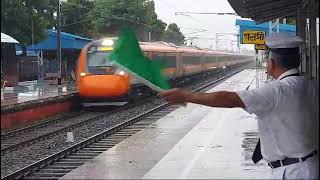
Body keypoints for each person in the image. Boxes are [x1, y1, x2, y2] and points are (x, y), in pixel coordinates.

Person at [159, 32, 319, 179]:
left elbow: (229, 98)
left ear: (271, 62)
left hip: (292, 172)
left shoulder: (277, 90)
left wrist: (186, 96)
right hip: (308, 164)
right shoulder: (309, 84)